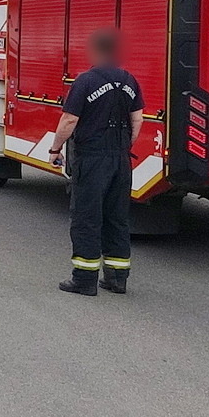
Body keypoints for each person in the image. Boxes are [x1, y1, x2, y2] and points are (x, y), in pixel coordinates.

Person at [49, 28, 143, 296]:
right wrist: (124, 147)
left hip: (92, 159)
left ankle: (84, 280)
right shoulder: (129, 80)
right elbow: (138, 119)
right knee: (117, 218)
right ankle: (117, 278)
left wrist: (55, 149)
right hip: (121, 159)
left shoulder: (86, 81)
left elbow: (69, 120)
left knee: (87, 218)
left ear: (96, 51)